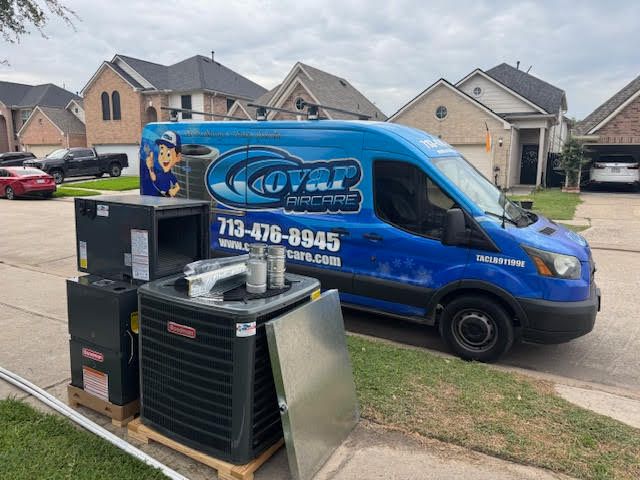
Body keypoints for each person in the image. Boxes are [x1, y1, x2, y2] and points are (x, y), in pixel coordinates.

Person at [145, 130, 182, 197]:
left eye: (168, 154)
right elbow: (153, 178)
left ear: (178, 157)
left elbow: (177, 187)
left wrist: (173, 191)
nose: (164, 158)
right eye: (161, 153)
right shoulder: (159, 173)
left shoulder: (171, 176)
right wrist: (150, 167)